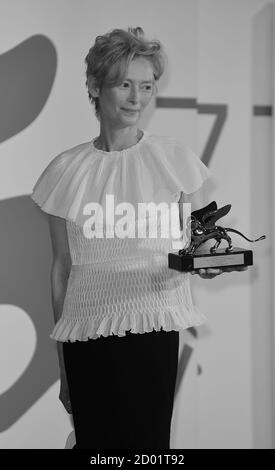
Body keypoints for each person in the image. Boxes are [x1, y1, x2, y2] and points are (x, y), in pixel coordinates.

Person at [30, 26, 247, 450]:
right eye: (124, 84)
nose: (136, 98)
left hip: (153, 328)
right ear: (95, 86)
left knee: (147, 451)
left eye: (146, 86)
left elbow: (200, 244)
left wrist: (210, 261)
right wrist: (63, 364)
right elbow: (62, 269)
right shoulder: (65, 171)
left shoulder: (173, 160)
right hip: (86, 335)